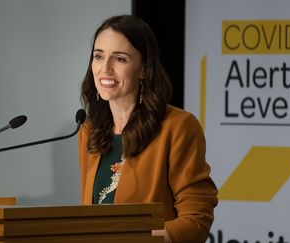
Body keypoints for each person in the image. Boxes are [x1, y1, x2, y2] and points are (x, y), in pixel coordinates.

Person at [78, 14, 218, 243]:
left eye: (120, 59)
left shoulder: (178, 127)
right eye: (98, 56)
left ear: (143, 69)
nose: (105, 68)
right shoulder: (90, 130)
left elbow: (196, 219)